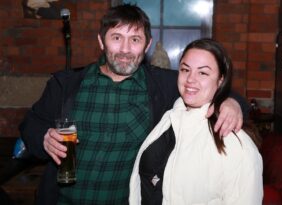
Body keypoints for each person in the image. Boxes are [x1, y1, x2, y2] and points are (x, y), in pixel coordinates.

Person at [19, 4, 245, 205]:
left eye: (135, 40)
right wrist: (44, 138)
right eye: (116, 38)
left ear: (147, 45)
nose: (125, 50)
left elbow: (208, 86)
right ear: (101, 41)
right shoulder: (66, 84)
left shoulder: (161, 85)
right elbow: (30, 124)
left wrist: (233, 103)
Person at [129, 39, 263, 205]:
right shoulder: (169, 120)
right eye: (186, 70)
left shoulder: (235, 142)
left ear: (221, 80)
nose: (190, 79)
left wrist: (232, 102)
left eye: (203, 73)